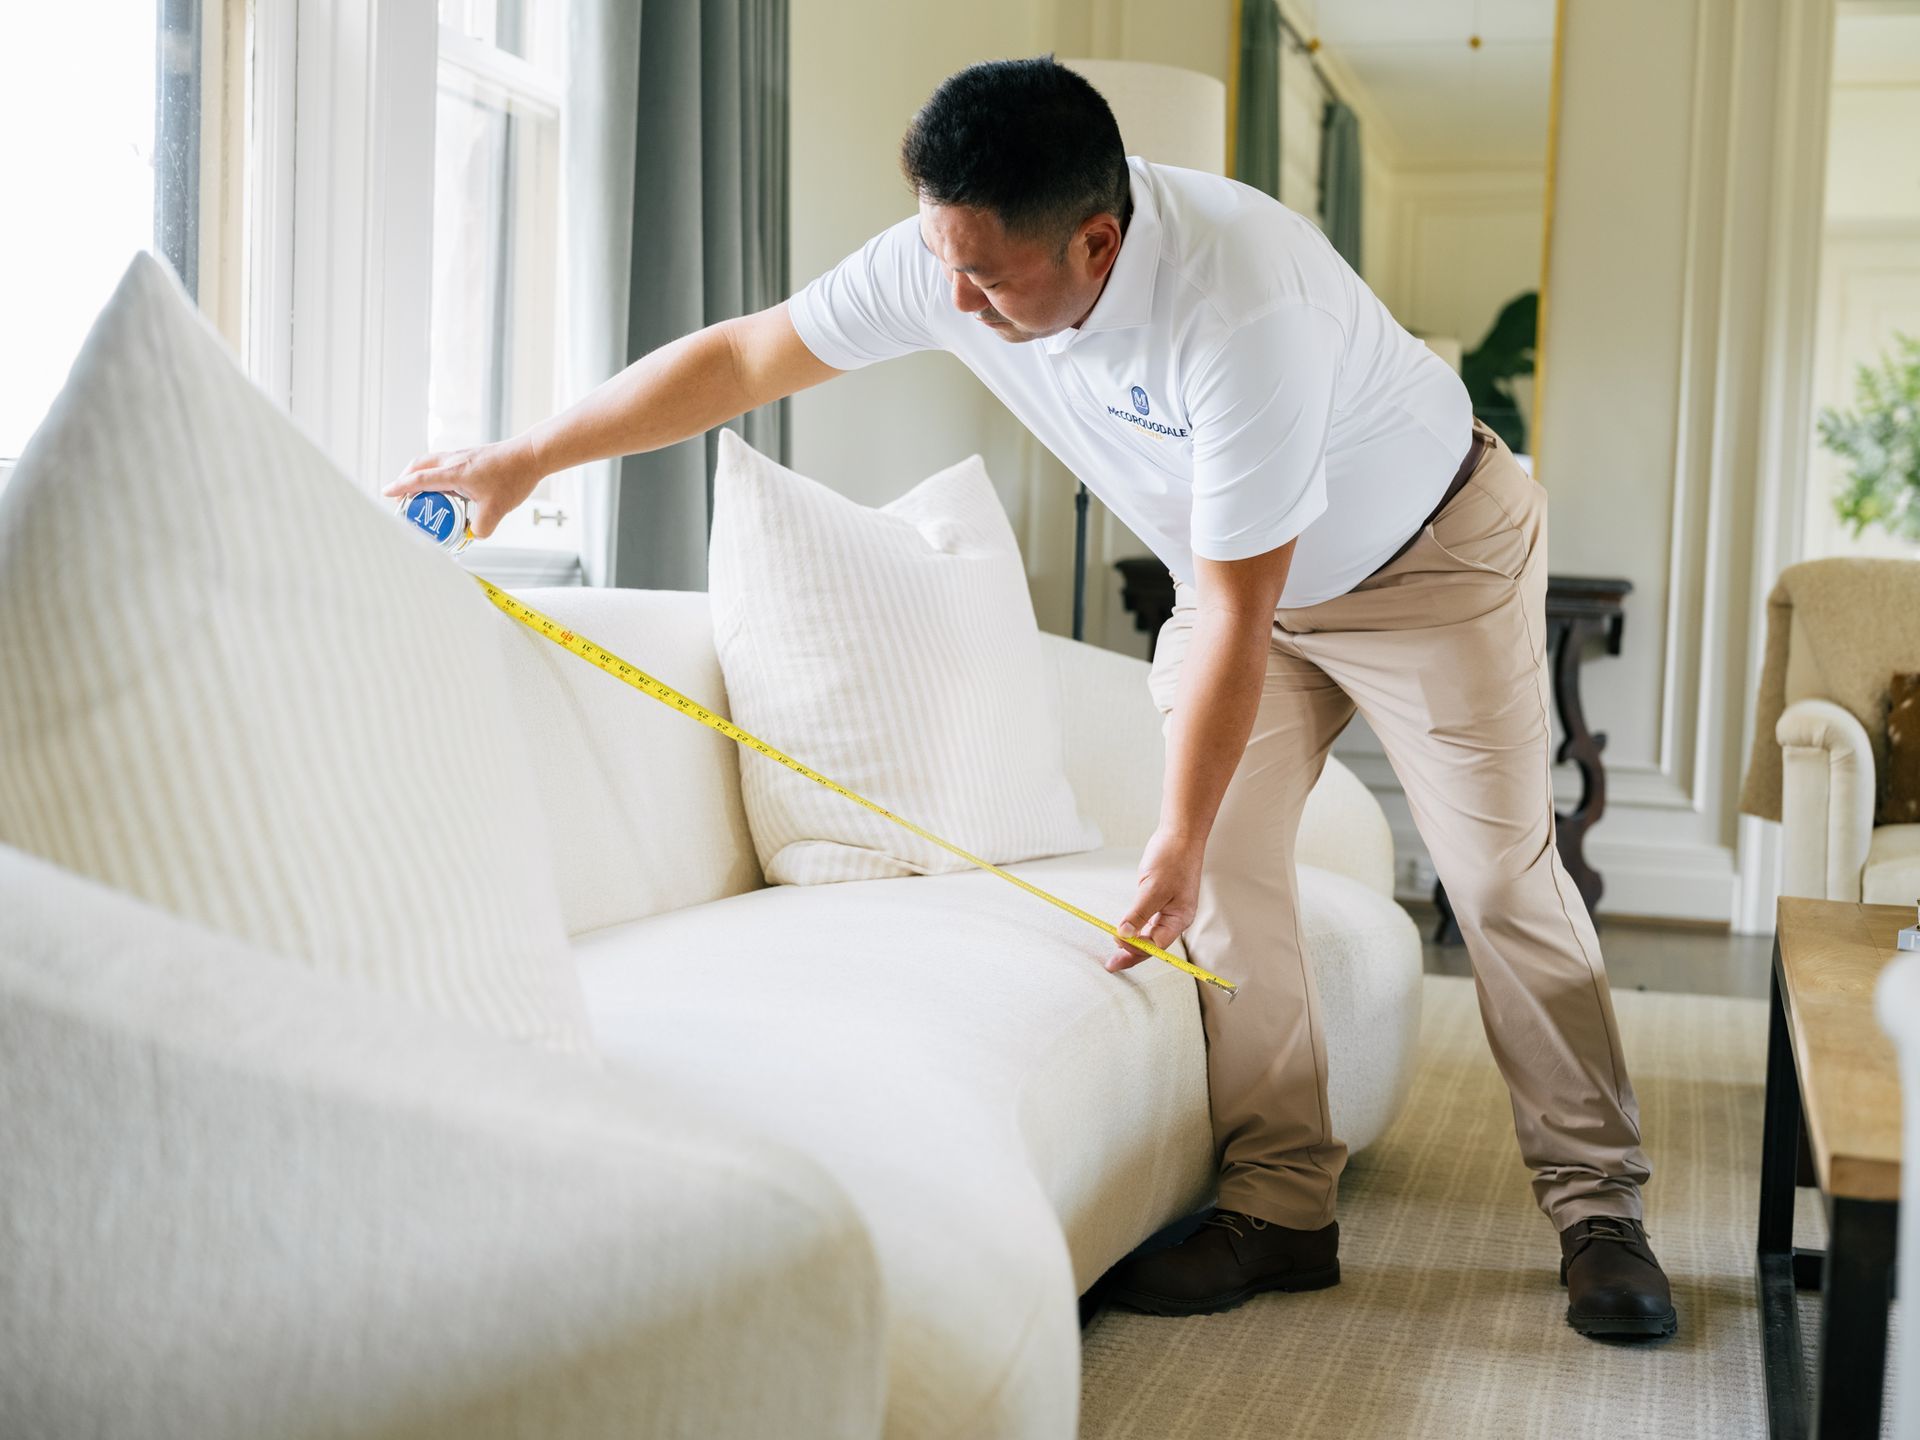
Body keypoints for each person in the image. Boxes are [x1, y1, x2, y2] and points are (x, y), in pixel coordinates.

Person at [388, 55, 1675, 1341]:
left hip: (1430, 561)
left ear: (1099, 241)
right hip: (1248, 590)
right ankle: (1282, 1208)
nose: (949, 298)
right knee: (1227, 876)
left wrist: (1166, 835)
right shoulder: (949, 255)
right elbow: (743, 355)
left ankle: (1598, 1207)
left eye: (987, 277)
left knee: (1500, 880)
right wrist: (523, 458)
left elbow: (1230, 608)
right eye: (942, 260)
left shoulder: (1242, 308)